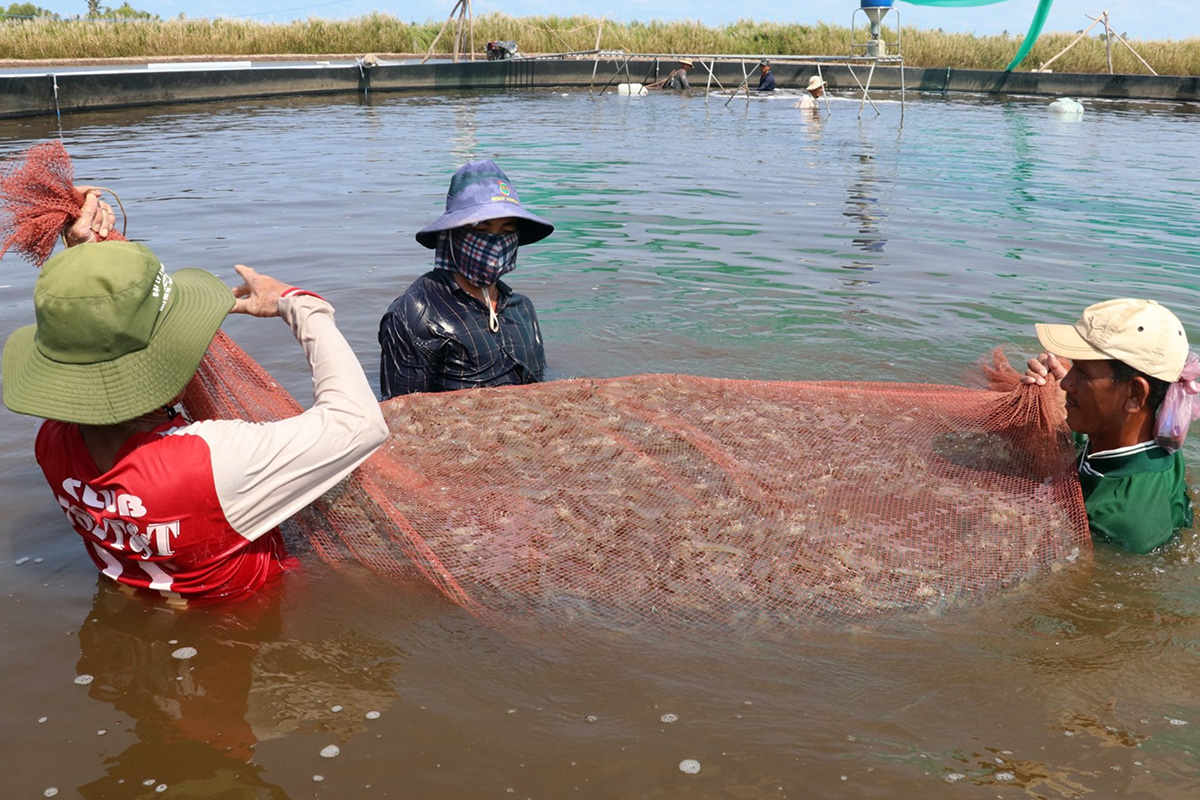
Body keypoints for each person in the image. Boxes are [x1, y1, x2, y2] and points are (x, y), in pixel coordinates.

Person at [1, 196, 388, 602]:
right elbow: (359, 423)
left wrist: (85, 253)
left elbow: (92, 338)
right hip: (245, 618)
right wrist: (300, 305)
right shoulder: (214, 458)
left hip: (141, 599)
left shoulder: (51, 442)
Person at [1023, 298, 1195, 554]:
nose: (1065, 383)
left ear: (1135, 394)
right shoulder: (1163, 445)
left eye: (1082, 372)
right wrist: (1061, 412)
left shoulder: (1111, 523)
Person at [378, 159, 553, 398]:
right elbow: (402, 412)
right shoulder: (417, 313)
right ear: (453, 234)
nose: (495, 242)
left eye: (507, 231)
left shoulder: (522, 308)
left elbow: (541, 387)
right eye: (481, 230)